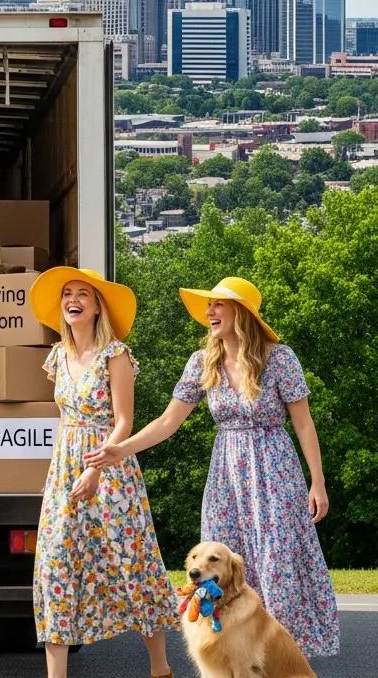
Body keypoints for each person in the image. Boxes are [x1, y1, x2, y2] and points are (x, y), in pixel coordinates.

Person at [85, 276, 339, 658]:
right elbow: (167, 423)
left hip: (275, 471)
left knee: (276, 567)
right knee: (220, 568)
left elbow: (304, 423)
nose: (209, 312)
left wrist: (317, 482)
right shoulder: (203, 362)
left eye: (219, 304)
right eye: (209, 305)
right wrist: (121, 449)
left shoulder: (279, 358)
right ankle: (233, 665)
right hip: (226, 475)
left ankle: (281, 664)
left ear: (243, 313)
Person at [20, 268, 178, 678]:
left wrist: (99, 467)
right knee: (55, 564)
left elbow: (124, 419)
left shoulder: (116, 355)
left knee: (132, 563)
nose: (72, 300)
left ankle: (162, 674)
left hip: (110, 464)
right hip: (66, 466)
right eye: (67, 294)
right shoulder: (57, 356)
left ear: (96, 306)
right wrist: (70, 468)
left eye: (82, 294)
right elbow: (67, 416)